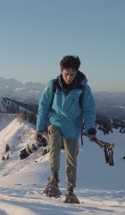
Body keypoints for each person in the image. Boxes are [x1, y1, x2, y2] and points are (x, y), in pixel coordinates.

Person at [34, 55, 97, 203]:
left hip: (72, 126)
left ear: (76, 72)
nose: (69, 77)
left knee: (71, 159)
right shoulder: (53, 85)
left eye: (72, 74)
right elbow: (43, 107)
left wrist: (91, 130)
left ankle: (70, 191)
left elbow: (89, 110)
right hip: (54, 121)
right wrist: (39, 129)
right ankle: (54, 178)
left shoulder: (83, 89)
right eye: (66, 74)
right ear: (61, 71)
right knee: (54, 144)